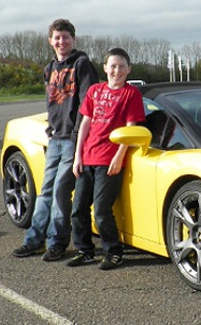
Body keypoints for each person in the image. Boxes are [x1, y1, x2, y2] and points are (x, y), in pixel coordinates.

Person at [12, 19, 99, 261]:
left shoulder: (82, 65)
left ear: (74, 39)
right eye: (57, 38)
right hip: (55, 138)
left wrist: (77, 135)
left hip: (73, 139)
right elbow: (52, 102)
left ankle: (57, 243)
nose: (62, 42)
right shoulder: (49, 68)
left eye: (66, 37)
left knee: (61, 190)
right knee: (45, 190)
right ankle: (34, 240)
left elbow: (87, 104)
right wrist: (51, 129)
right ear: (51, 41)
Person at [66, 47, 145, 269]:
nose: (116, 70)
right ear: (105, 68)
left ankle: (113, 251)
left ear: (128, 69)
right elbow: (85, 124)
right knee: (78, 208)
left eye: (121, 66)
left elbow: (131, 129)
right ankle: (85, 250)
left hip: (108, 161)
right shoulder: (94, 91)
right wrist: (77, 156)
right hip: (87, 158)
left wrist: (119, 157)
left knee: (101, 211)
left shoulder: (131, 94)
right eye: (112, 66)